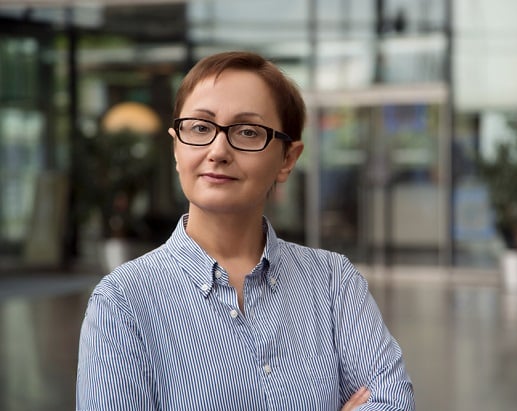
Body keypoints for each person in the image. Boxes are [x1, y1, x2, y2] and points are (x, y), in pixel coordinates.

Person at [76, 51, 415, 410]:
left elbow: (391, 401)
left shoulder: (333, 281)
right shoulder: (122, 302)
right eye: (200, 128)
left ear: (287, 159)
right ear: (177, 147)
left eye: (248, 131)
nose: (218, 150)